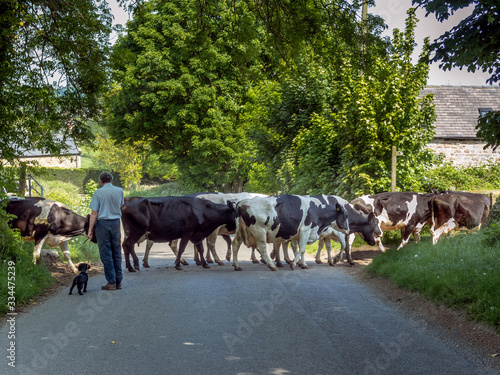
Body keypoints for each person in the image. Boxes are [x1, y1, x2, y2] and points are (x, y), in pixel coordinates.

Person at [87, 171, 124, 290]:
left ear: (101, 181)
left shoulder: (98, 192)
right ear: (112, 180)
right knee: (117, 252)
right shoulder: (120, 191)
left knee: (106, 253)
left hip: (103, 224)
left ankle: (111, 282)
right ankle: (119, 281)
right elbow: (120, 205)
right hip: (116, 223)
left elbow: (94, 213)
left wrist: (90, 230)